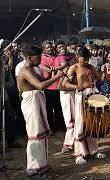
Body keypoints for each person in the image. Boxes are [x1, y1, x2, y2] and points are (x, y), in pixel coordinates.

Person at [17, 45, 64, 177]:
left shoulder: (33, 69)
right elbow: (40, 85)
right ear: (29, 58)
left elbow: (42, 79)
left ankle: (41, 166)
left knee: (41, 134)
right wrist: (57, 77)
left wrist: (52, 73)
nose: (40, 60)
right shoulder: (24, 71)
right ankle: (33, 170)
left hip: (36, 101)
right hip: (31, 102)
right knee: (34, 135)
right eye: (38, 57)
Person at [62, 47, 107, 165]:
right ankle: (79, 153)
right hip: (81, 97)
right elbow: (64, 83)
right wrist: (76, 87)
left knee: (91, 123)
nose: (86, 61)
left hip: (93, 95)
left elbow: (100, 79)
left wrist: (104, 73)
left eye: (88, 59)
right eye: (84, 59)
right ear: (78, 57)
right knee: (81, 123)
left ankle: (93, 150)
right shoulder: (74, 67)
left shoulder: (91, 67)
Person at [40, 40, 66, 132]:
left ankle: (61, 127)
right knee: (49, 109)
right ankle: (50, 128)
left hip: (59, 86)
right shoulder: (42, 58)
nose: (50, 48)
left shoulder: (60, 57)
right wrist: (56, 69)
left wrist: (55, 68)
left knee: (60, 108)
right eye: (47, 47)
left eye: (51, 46)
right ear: (44, 49)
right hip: (48, 87)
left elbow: (64, 64)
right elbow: (46, 70)